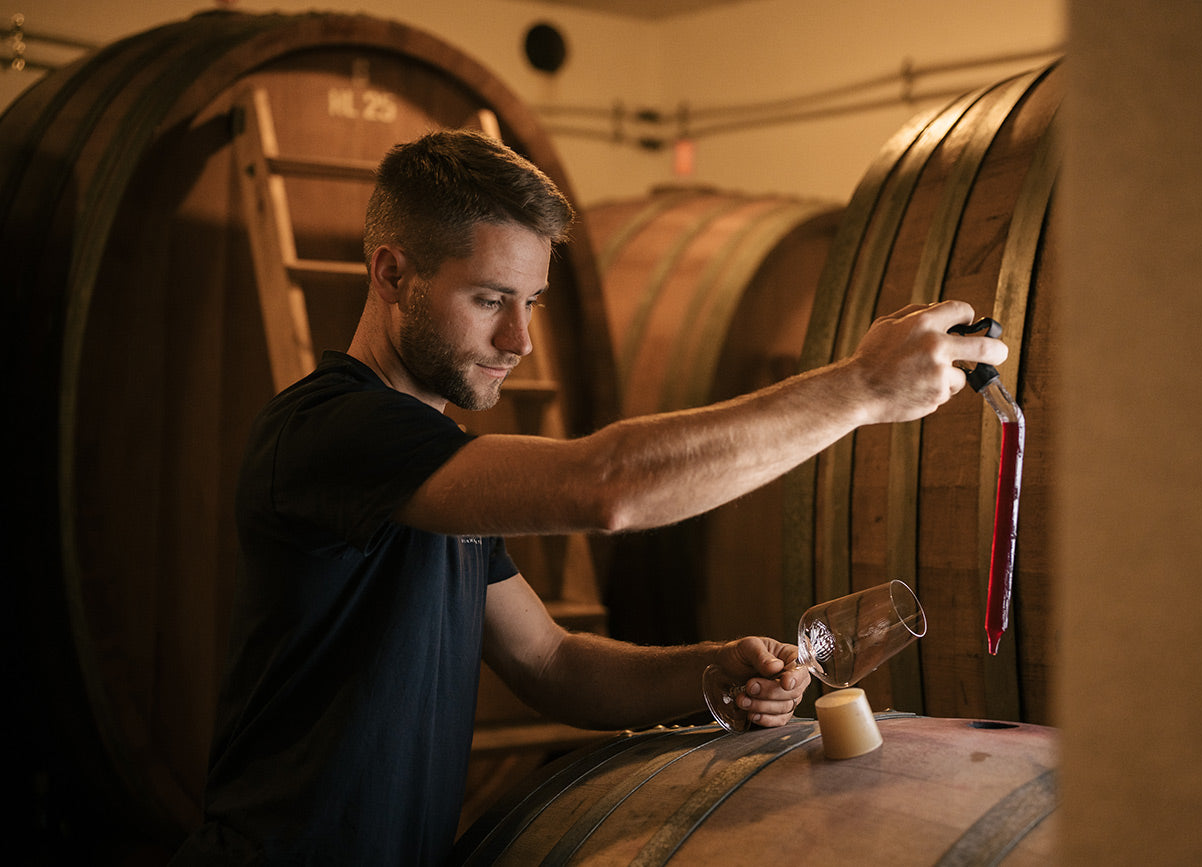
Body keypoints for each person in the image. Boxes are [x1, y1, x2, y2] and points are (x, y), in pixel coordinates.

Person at [172, 130, 1006, 866]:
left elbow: (553, 662)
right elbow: (603, 487)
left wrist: (707, 669)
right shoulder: (330, 431)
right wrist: (859, 389)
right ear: (393, 274)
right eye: (490, 299)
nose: (520, 340)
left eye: (530, 301)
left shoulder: (436, 474)